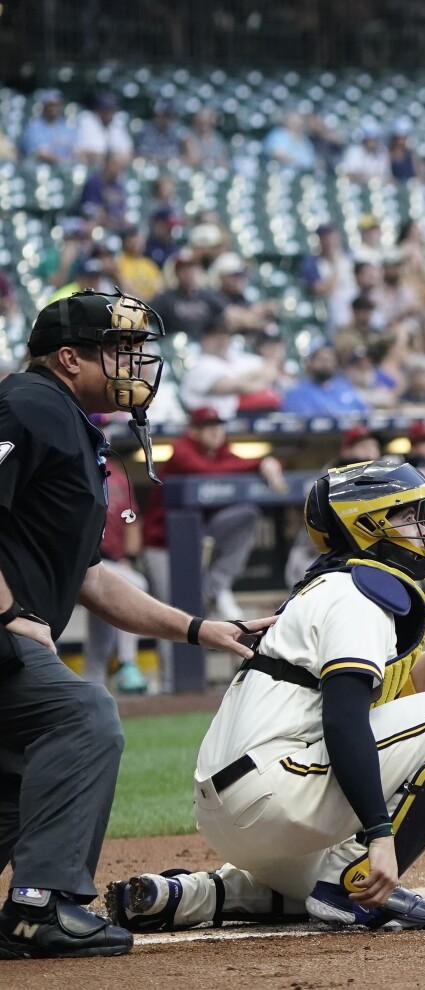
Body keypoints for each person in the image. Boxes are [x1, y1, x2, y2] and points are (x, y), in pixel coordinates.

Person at [106, 459, 425, 934]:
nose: (424, 527)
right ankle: (348, 875)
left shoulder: (333, 586)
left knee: (301, 896)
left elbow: (387, 695)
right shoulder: (359, 596)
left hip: (230, 811)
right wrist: (377, 836)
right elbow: (345, 721)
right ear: (368, 523)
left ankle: (190, 895)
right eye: (408, 515)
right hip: (275, 794)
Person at [0, 291, 269, 959]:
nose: (135, 365)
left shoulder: (68, 418)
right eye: (119, 351)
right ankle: (43, 906)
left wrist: (201, 628)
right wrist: (7, 611)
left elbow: (89, 577)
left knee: (12, 786)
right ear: (69, 358)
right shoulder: (29, 403)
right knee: (81, 717)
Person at [140, 407, 287, 626]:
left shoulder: (222, 452)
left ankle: (217, 584)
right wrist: (258, 464)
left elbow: (233, 463)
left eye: (218, 426)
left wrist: (267, 462)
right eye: (208, 427)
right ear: (193, 431)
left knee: (248, 514)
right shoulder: (182, 450)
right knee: (170, 615)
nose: (216, 431)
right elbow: (208, 471)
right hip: (163, 545)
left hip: (196, 538)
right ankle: (171, 660)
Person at [84, 444, 150, 695]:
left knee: (109, 604)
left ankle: (98, 676)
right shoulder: (70, 465)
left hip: (108, 560)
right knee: (132, 586)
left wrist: (129, 558)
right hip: (73, 560)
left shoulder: (118, 475)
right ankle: (126, 662)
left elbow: (131, 520)